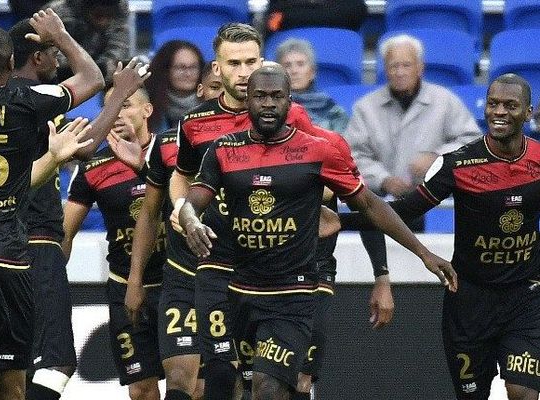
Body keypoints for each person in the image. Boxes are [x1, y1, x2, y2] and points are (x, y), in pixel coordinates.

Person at [179, 64, 456, 400]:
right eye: (261, 96)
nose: (269, 104)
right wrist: (191, 219)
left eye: (277, 97)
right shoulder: (224, 150)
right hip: (240, 290)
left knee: (268, 388)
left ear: (290, 101)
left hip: (294, 295)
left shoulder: (318, 151)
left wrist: (422, 253)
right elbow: (194, 200)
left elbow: (369, 205)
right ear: (247, 101)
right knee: (240, 385)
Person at [169, 23, 394, 400]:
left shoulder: (293, 119)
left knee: (283, 383)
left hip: (287, 269)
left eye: (251, 61)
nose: (244, 72)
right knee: (221, 377)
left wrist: (315, 204)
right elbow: (182, 177)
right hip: (218, 261)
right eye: (235, 63)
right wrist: (183, 209)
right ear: (217, 69)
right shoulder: (195, 124)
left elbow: (344, 191)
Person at [340, 73, 540, 400]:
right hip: (469, 300)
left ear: (528, 113)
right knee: (472, 394)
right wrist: (341, 221)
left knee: (523, 392)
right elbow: (404, 211)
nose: (499, 111)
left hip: (526, 297)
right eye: (493, 104)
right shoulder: (458, 164)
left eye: (510, 105)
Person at [0, 5, 104, 399]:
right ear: (13, 61)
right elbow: (93, 79)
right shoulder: (28, 101)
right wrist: (61, 35)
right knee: (11, 382)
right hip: (6, 258)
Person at [8, 15, 149, 400]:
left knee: (9, 364)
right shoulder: (36, 99)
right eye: (52, 53)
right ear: (36, 58)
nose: (58, 60)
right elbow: (91, 87)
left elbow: (81, 143)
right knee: (55, 362)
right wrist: (118, 93)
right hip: (34, 240)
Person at [121, 66, 223, 400]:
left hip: (230, 276)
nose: (220, 95)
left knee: (220, 386)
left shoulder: (251, 143)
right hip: (181, 276)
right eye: (214, 87)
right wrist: (134, 280)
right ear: (199, 92)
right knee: (179, 380)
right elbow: (150, 214)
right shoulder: (168, 144)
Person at [62, 84, 165, 400]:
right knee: (141, 390)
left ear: (147, 111)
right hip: (124, 285)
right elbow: (64, 233)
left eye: (127, 104)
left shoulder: (173, 154)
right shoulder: (94, 167)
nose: (118, 114)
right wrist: (47, 285)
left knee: (191, 384)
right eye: (112, 106)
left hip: (177, 284)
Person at [344, 33, 481, 230]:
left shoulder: (445, 101)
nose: (400, 72)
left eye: (406, 65)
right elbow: (353, 156)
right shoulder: (365, 108)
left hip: (437, 205)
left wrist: (437, 158)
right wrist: (384, 180)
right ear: (385, 69)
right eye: (393, 66)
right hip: (381, 206)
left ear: (420, 67)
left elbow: (473, 143)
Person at [276, 38, 349, 133]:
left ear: (312, 72)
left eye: (300, 64)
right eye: (287, 65)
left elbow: (341, 144)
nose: (294, 71)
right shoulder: (270, 108)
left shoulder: (332, 110)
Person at [44, 0, 129, 81]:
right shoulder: (55, 14)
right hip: (63, 76)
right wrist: (100, 70)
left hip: (101, 73)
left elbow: (118, 51)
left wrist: (107, 68)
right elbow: (55, 63)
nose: (104, 22)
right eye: (99, 16)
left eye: (109, 15)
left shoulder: (120, 8)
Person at [145, 40, 205, 134]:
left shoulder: (212, 104)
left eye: (193, 67)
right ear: (165, 70)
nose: (188, 74)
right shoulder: (149, 106)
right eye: (181, 67)